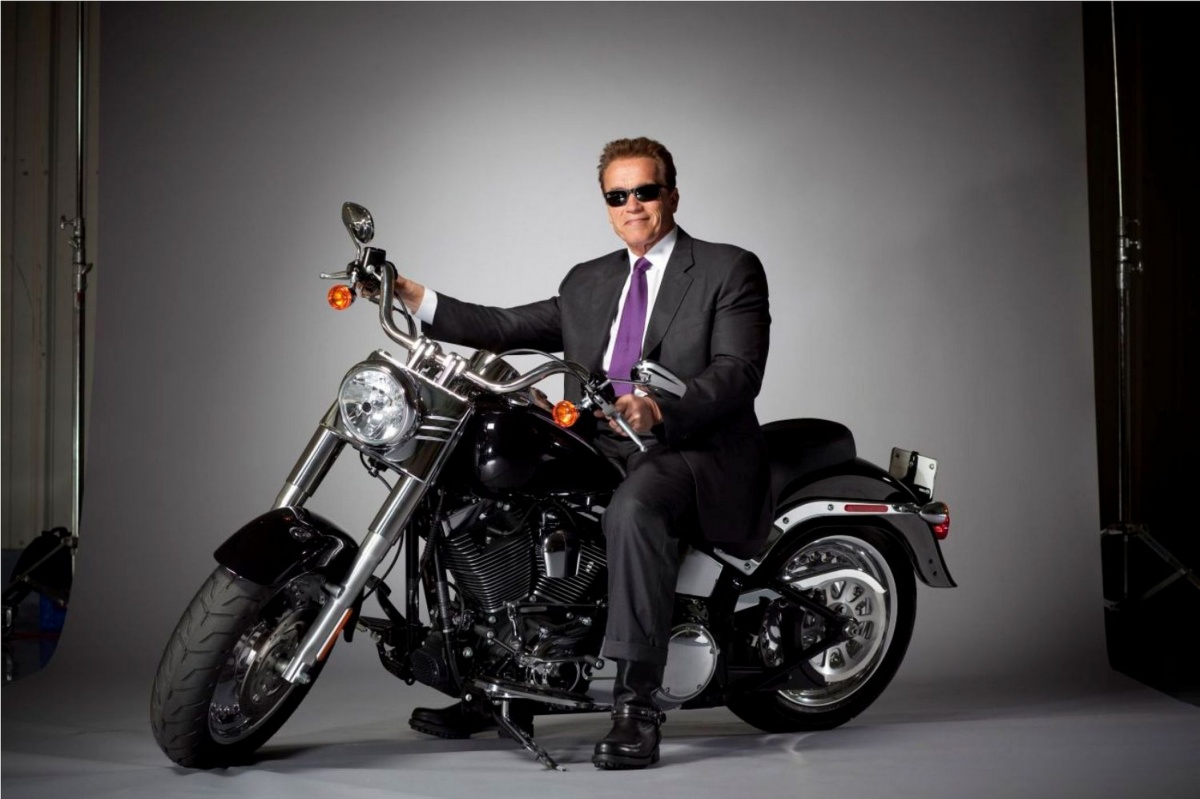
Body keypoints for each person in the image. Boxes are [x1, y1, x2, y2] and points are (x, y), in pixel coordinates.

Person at [396, 137, 772, 769]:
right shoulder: (588, 281)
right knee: (486, 491)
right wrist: (412, 294)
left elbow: (738, 371)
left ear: (672, 195)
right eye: (617, 196)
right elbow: (503, 327)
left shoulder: (727, 268)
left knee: (634, 510)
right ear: (606, 205)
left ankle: (637, 707)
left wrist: (661, 409)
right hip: (599, 440)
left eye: (644, 191)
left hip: (690, 446)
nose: (632, 205)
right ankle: (501, 683)